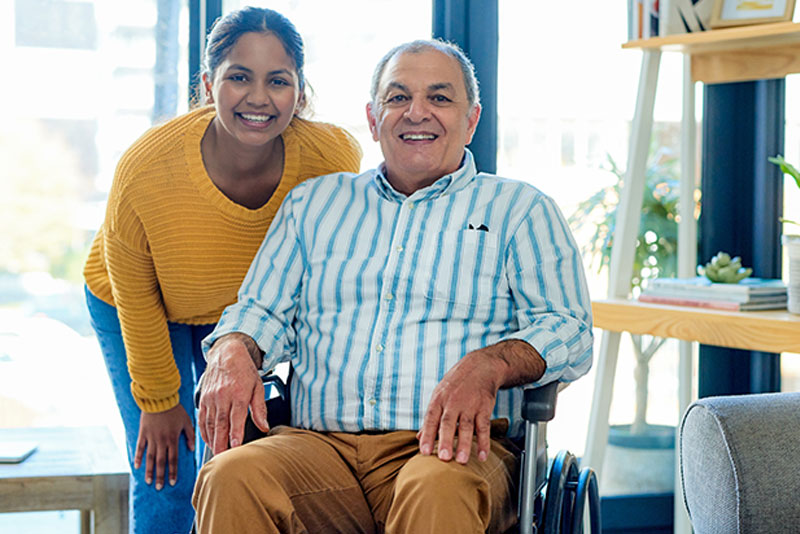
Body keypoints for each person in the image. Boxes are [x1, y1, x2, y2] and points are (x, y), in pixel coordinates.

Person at [193, 39, 592, 534]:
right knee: (233, 475)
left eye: (440, 99)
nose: (416, 113)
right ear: (373, 117)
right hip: (320, 448)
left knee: (435, 486)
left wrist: (490, 363)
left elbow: (569, 329)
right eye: (398, 97)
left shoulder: (519, 210)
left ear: (472, 120)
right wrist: (232, 348)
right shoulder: (314, 205)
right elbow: (262, 311)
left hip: (451, 450)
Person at [83, 7, 362, 533]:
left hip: (238, 317)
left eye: (278, 80)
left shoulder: (332, 157)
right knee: (165, 464)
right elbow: (133, 285)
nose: (258, 97)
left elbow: (329, 266)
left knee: (235, 458)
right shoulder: (145, 167)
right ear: (209, 83)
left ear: (300, 92)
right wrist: (160, 401)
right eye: (239, 77)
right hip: (138, 303)